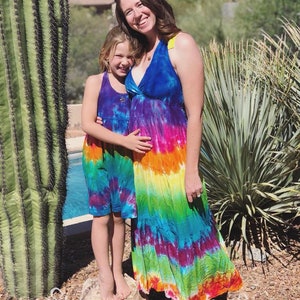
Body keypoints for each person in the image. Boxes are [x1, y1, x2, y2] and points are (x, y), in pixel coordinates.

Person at [114, 1, 243, 299]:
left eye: (140, 3)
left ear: (155, 4)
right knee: (158, 234)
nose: (136, 14)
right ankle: (168, 289)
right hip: (144, 167)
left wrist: (192, 172)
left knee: (188, 233)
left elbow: (195, 114)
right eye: (128, 11)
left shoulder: (180, 44)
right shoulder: (138, 53)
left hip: (175, 164)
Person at [81, 26, 152, 300]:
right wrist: (121, 140)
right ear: (106, 55)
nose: (124, 61)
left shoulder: (135, 85)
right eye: (118, 55)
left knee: (120, 217)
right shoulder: (94, 82)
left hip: (124, 159)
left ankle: (118, 270)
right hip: (99, 156)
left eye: (129, 56)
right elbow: (88, 123)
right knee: (101, 217)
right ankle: (104, 274)